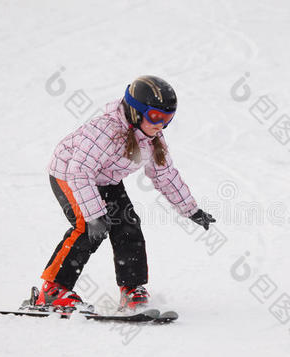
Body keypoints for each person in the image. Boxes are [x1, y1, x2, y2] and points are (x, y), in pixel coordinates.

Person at [36, 75, 216, 311]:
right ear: (135, 112)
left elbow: (165, 175)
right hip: (69, 175)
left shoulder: (152, 138)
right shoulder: (105, 130)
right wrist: (94, 216)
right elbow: (79, 171)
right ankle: (53, 290)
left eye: (168, 118)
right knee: (86, 229)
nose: (161, 124)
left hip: (105, 179)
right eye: (155, 116)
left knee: (128, 224)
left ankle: (132, 289)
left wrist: (191, 210)